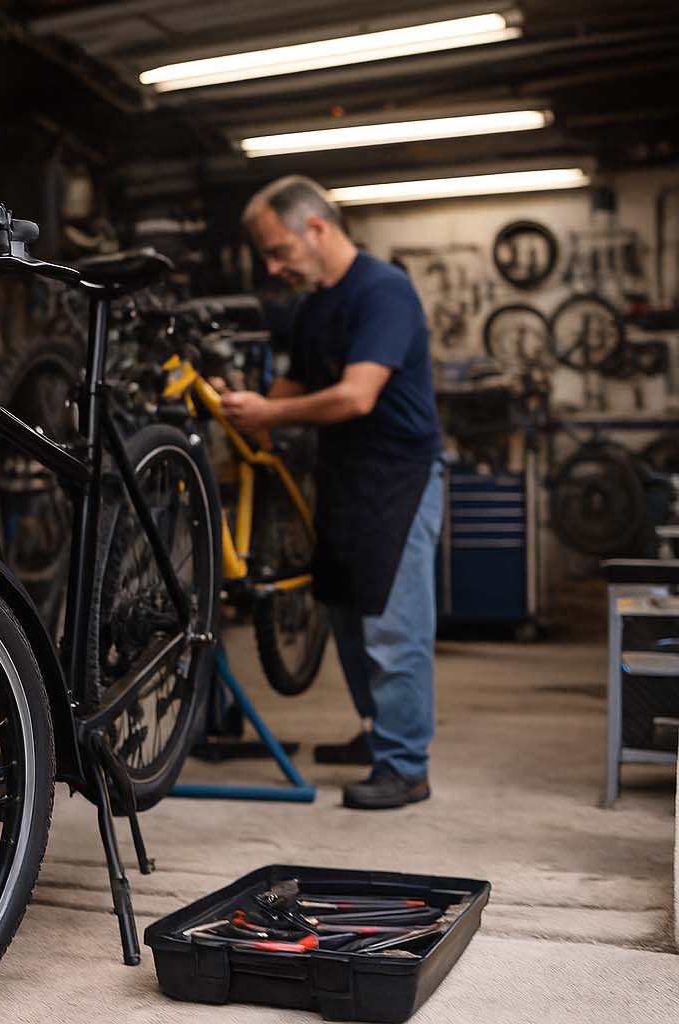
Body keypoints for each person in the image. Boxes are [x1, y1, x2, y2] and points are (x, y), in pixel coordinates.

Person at [219, 175, 443, 811]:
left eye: (277, 250)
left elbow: (355, 395)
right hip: (344, 473)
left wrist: (270, 415)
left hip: (399, 476)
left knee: (393, 628)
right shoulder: (316, 303)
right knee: (346, 614)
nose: (272, 265)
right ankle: (382, 738)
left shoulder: (383, 291)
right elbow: (298, 386)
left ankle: (407, 765)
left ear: (316, 228)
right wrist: (240, 404)